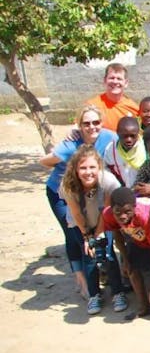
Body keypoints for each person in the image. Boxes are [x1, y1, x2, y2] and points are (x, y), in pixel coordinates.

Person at [40, 106, 116, 298]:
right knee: (74, 232)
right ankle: (81, 278)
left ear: (102, 123)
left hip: (91, 191)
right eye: (86, 123)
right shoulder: (71, 143)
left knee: (100, 229)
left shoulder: (109, 138)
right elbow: (44, 161)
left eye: (95, 122)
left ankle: (102, 270)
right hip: (62, 191)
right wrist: (66, 163)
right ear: (79, 125)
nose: (91, 127)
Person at [60, 145, 125, 315]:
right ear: (75, 169)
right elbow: (75, 212)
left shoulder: (108, 182)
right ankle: (94, 294)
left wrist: (98, 233)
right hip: (79, 222)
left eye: (92, 167)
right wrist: (87, 236)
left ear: (99, 167)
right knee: (88, 255)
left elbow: (107, 210)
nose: (88, 172)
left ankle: (118, 292)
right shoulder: (67, 185)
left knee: (108, 253)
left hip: (103, 218)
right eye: (82, 168)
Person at [103, 188, 150, 320]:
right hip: (138, 242)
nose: (122, 216)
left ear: (134, 207)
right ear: (112, 209)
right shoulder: (108, 214)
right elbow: (117, 235)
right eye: (118, 212)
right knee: (132, 269)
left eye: (127, 211)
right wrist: (125, 259)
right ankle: (144, 306)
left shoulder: (144, 216)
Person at [85, 63, 139, 130]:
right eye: (112, 78)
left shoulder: (134, 108)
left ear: (126, 83)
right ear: (105, 80)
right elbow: (77, 127)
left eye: (119, 79)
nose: (115, 81)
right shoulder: (92, 105)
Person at [104, 116, 144, 187]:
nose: (129, 140)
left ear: (138, 133)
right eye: (125, 136)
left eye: (133, 136)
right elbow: (107, 170)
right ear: (117, 133)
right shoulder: (111, 149)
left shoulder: (145, 147)